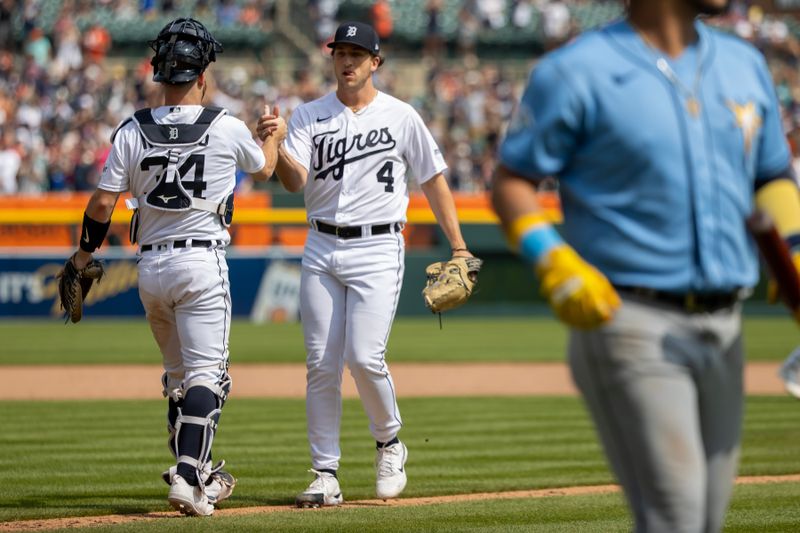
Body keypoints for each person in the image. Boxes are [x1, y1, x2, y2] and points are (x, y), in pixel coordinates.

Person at [491, 1, 800, 532]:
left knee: (704, 519)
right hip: (630, 317)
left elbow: (770, 175)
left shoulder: (742, 62)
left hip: (727, 323)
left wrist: (794, 247)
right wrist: (551, 256)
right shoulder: (575, 69)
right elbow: (511, 181)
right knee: (675, 518)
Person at [63, 18, 286, 516]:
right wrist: (272, 134)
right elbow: (267, 169)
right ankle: (187, 477)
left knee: (178, 378)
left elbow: (101, 205)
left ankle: (199, 472)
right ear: (202, 74)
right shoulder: (226, 125)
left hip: (151, 269)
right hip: (201, 260)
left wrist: (82, 257)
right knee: (211, 377)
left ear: (158, 73)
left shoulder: (132, 128)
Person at [258, 21, 474, 507]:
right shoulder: (310, 115)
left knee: (363, 356)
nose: (348, 60)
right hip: (320, 245)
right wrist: (274, 140)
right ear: (331, 59)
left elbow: (434, 180)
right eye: (341, 52)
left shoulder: (401, 116)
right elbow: (292, 181)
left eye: (358, 53)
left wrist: (458, 246)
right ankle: (325, 473)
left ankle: (389, 442)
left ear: (376, 62)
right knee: (320, 364)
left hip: (377, 248)